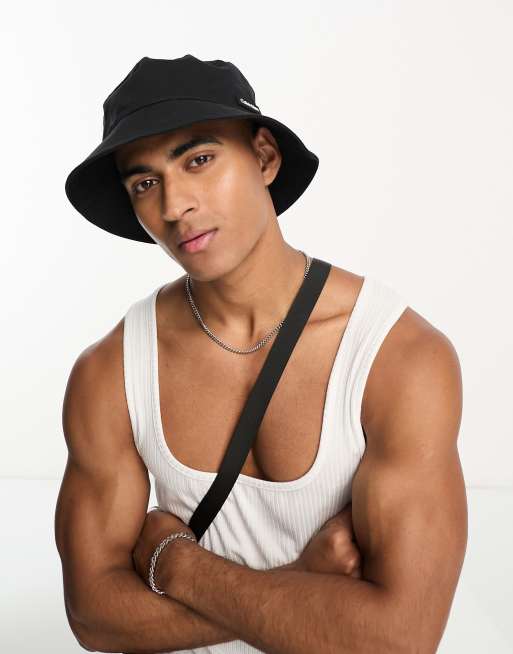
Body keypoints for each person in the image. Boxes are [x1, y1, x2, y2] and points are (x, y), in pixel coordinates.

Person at [55, 55, 467, 654]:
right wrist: (301, 581)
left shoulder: (398, 360)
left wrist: (177, 566)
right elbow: (94, 617)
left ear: (266, 158)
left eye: (199, 160)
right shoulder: (110, 372)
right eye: (145, 183)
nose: (174, 206)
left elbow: (400, 639)